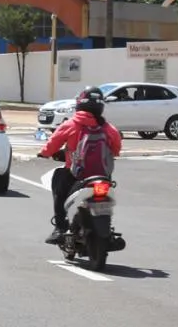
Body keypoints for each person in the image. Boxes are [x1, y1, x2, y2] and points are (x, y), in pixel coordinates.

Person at [37, 86, 122, 244]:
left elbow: (52, 144)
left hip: (76, 175)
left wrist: (44, 153)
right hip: (103, 176)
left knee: (59, 184)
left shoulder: (72, 124)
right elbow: (116, 150)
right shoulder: (109, 128)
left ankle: (60, 227)